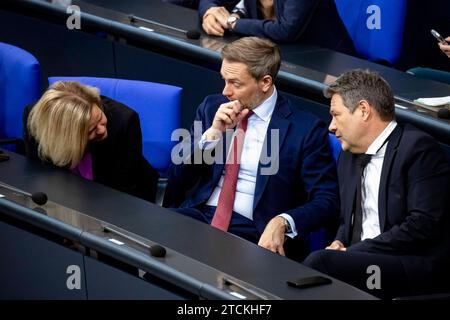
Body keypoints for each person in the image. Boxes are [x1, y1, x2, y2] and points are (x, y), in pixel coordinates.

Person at [165, 37, 339, 260]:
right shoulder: (212, 108)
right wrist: (212, 135)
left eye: (235, 83)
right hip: (199, 214)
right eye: (224, 80)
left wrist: (283, 221)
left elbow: (326, 199)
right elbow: (177, 175)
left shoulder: (305, 129)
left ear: (265, 82)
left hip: (255, 230)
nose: (225, 91)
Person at [303, 69, 450, 299]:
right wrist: (340, 241)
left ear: (363, 110)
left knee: (320, 262)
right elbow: (347, 220)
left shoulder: (418, 149)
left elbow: (421, 226)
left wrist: (351, 253)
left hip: (406, 267)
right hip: (362, 260)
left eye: (336, 115)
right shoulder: (348, 153)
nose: (331, 126)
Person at [23, 81, 159, 202]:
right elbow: (41, 174)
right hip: (63, 196)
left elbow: (121, 193)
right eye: (90, 130)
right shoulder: (37, 121)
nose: (101, 130)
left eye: (100, 117)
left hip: (116, 198)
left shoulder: (124, 122)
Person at [198, 0, 354, 54]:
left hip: (323, 63)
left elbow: (285, 29)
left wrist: (233, 23)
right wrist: (210, 11)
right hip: (273, 53)